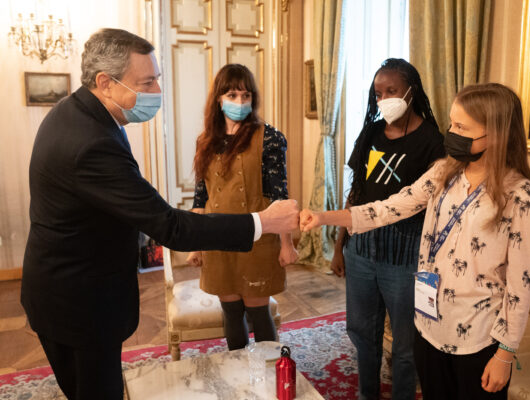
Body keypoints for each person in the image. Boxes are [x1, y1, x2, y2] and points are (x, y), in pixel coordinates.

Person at [21, 28, 298, 400]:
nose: (156, 90)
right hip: (79, 303)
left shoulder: (79, 115)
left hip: (72, 288)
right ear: (105, 82)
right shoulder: (90, 141)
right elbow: (170, 226)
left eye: (157, 79)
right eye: (147, 82)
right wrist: (263, 221)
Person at [300, 83, 530, 400]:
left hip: (479, 339)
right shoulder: (444, 173)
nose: (451, 134)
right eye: (452, 124)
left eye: (461, 128)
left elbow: (521, 284)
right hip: (429, 328)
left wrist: (505, 354)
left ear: (496, 134)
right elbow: (390, 208)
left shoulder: (521, 197)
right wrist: (324, 217)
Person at [331, 58, 445, 400]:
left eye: (391, 91)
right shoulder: (371, 133)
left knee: (406, 344)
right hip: (361, 251)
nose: (383, 100)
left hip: (405, 256)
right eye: (378, 94)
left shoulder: (432, 141)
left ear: (411, 91)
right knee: (362, 334)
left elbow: (434, 206)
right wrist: (339, 247)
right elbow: (356, 193)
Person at [185, 64, 298, 350]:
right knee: (231, 312)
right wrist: (196, 246)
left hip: (258, 240)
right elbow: (201, 198)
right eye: (232, 95)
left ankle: (269, 368)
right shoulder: (205, 141)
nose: (240, 102)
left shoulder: (269, 137)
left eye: (246, 96)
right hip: (217, 239)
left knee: (258, 312)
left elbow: (280, 197)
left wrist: (286, 245)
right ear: (219, 99)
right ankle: (237, 368)